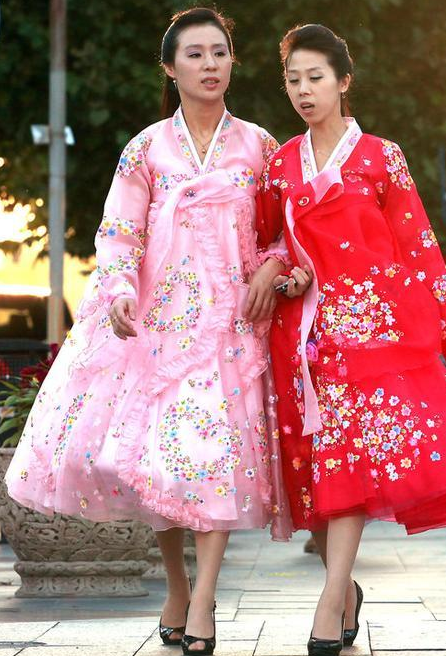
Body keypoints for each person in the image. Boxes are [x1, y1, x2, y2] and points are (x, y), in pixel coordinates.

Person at [3, 8, 294, 655]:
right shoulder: (147, 149)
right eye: (194, 55)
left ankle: (206, 600)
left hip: (233, 328)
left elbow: (282, 226)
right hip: (160, 329)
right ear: (170, 67)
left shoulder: (259, 145)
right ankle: (177, 588)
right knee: (162, 466)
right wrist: (122, 290)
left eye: (219, 53)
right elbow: (120, 231)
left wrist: (272, 265)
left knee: (215, 462)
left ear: (233, 62)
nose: (209, 65)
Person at [256, 24, 446, 656]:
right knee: (327, 476)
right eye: (293, 81)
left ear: (343, 81)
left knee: (348, 472)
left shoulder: (380, 157)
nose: (304, 92)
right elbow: (266, 247)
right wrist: (286, 273)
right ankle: (343, 592)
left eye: (316, 78)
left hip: (376, 336)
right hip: (305, 339)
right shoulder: (280, 165)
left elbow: (419, 249)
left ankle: (330, 597)